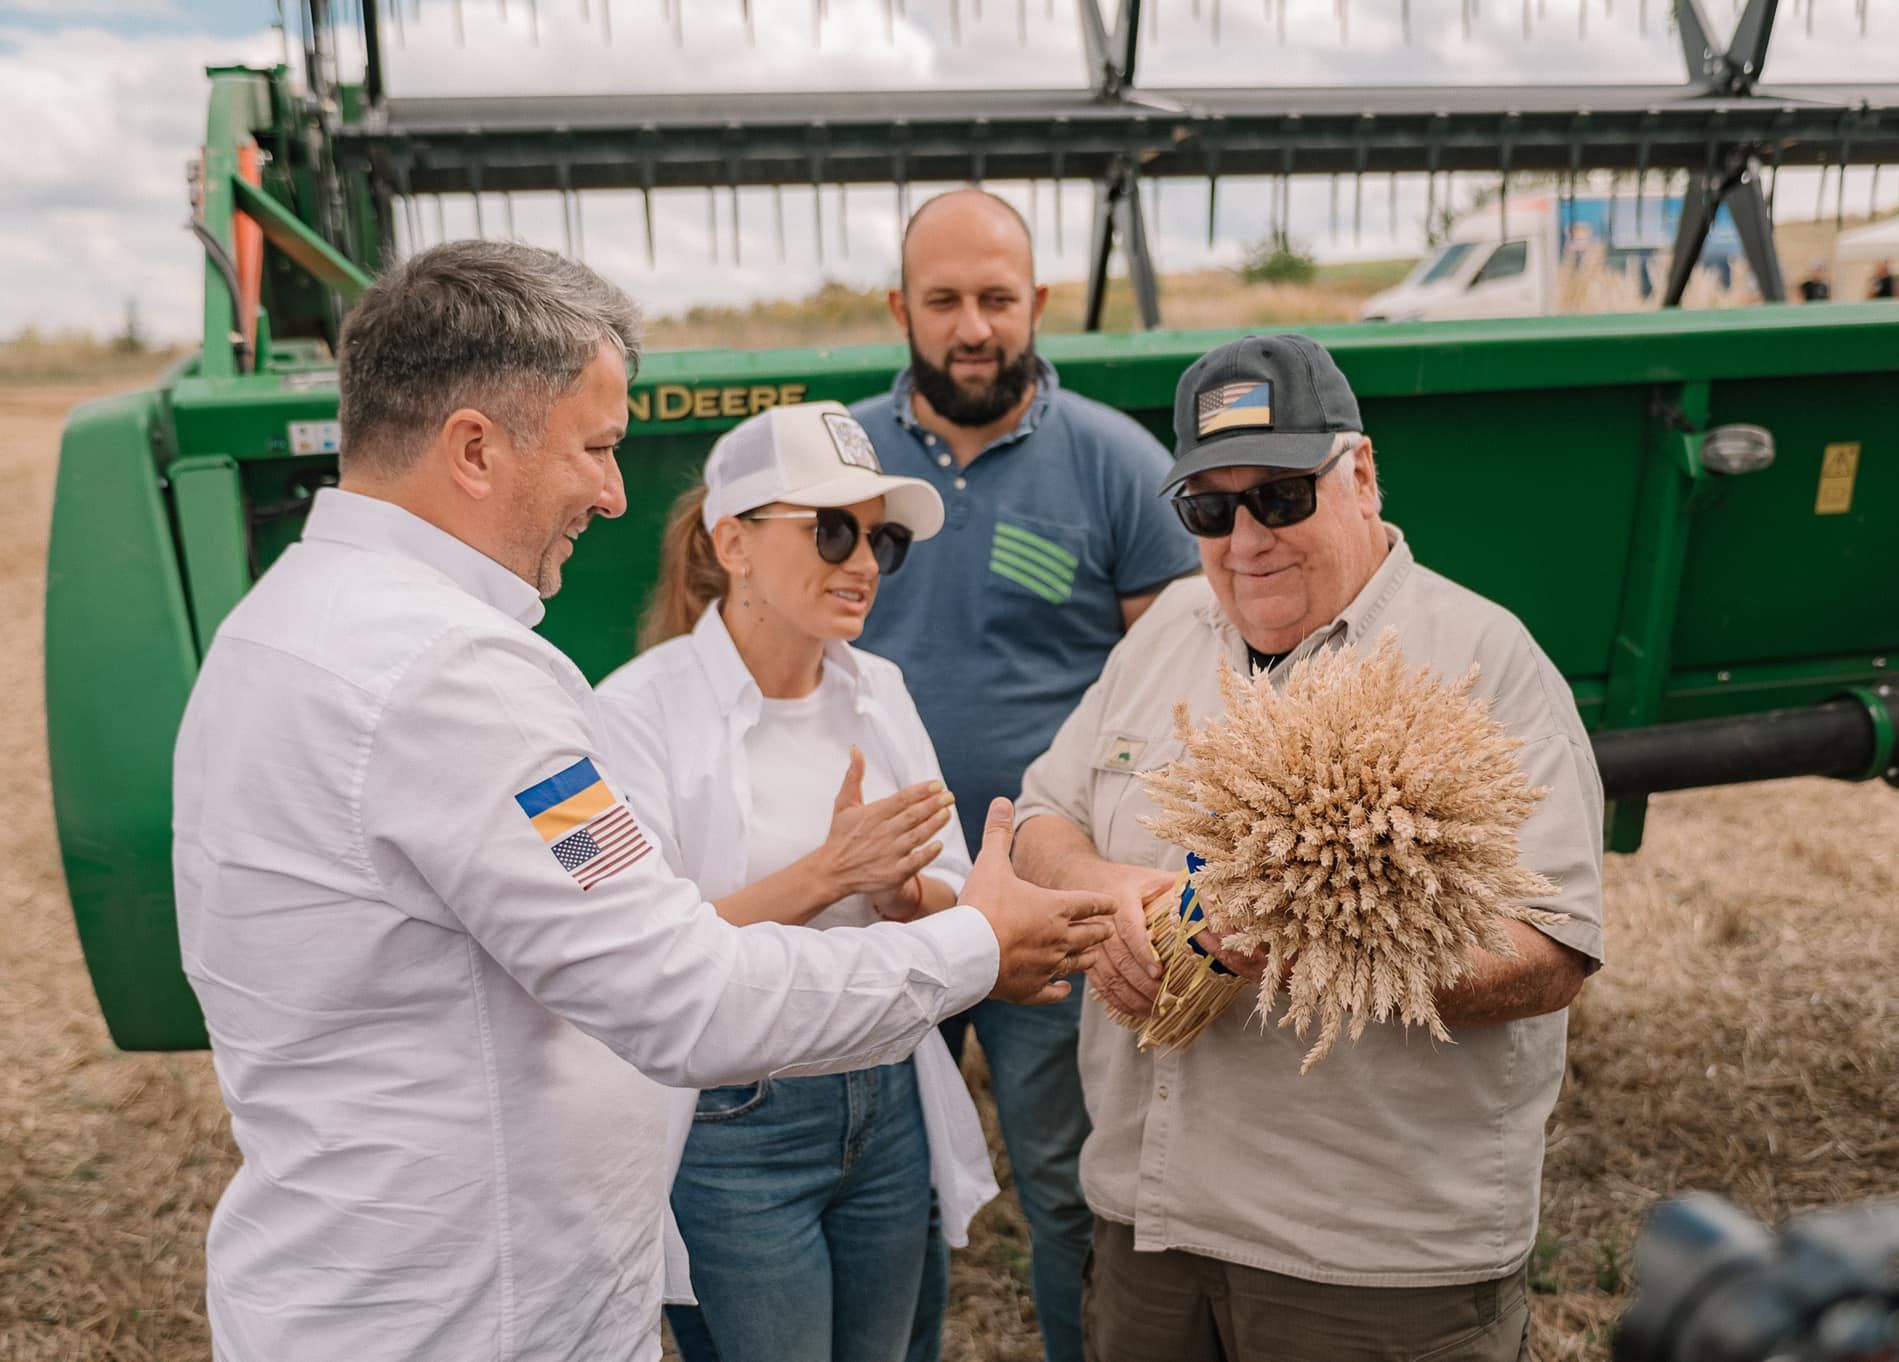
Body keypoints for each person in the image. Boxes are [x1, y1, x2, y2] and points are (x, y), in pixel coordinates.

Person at [170, 240, 1113, 1362]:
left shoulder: (288, 622)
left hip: (390, 1282)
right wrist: (968, 945)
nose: (615, 494)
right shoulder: (453, 681)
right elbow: (682, 993)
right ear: (473, 447)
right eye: (597, 448)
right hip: (474, 1314)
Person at [1012, 333, 1606, 1362]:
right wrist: (1117, 897)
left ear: (1359, 474)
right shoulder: (1166, 634)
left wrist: (1297, 945)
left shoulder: (1480, 662)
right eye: (1208, 508)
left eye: (1280, 496)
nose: (1245, 538)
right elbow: (1042, 818)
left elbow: (1547, 955)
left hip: (1364, 1266)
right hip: (1150, 1233)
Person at [849, 188, 1200, 1362]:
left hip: (1050, 900)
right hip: (874, 897)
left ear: (1036, 303)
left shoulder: (1115, 465)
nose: (971, 327)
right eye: (942, 300)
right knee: (882, 1194)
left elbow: (1182, 685)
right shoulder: (844, 465)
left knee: (1067, 1182)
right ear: (900, 309)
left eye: (996, 299)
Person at [595, 401, 998, 1362]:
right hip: (736, 1122)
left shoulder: (880, 689)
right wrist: (827, 874)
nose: (862, 561)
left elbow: (947, 888)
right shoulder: (634, 715)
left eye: (881, 538)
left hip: (887, 1090)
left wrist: (904, 896)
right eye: (830, 529)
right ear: (731, 541)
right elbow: (639, 955)